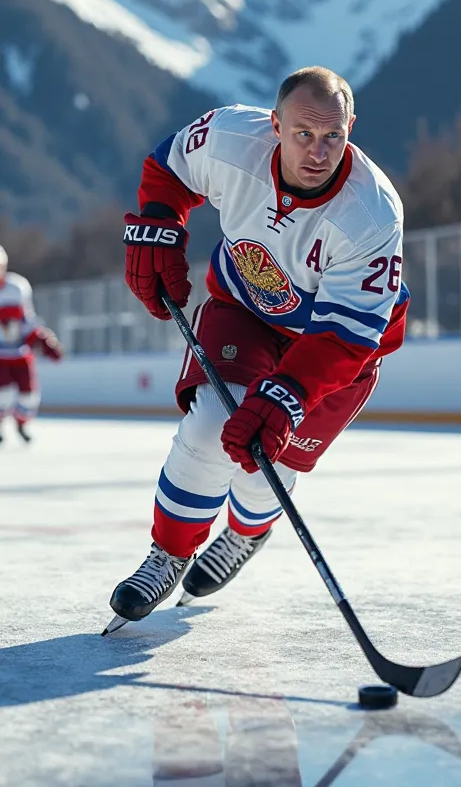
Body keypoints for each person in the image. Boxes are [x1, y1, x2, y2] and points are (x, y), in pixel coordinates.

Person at [110, 67, 409, 622]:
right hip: (244, 309)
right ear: (274, 125)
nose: (317, 152)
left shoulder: (371, 214)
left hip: (335, 346)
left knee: (264, 460)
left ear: (351, 129)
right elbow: (171, 166)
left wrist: (287, 394)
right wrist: (159, 221)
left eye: (332, 137)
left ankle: (248, 532)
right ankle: (168, 553)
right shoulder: (230, 139)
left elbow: (344, 338)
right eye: (302, 134)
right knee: (207, 426)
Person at [0, 246, 63, 443]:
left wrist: (42, 339)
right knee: (4, 396)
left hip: (20, 352)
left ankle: (21, 423)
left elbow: (28, 320)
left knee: (29, 396)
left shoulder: (17, 287)